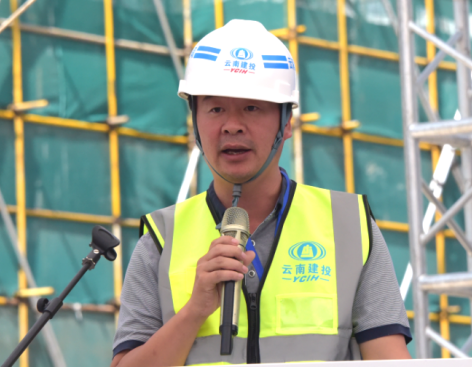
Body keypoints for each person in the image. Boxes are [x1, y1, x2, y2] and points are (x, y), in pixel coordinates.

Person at [110, 19, 412, 367]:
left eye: (252, 107)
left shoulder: (349, 227)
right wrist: (195, 311)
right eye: (215, 108)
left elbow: (389, 360)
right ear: (195, 121)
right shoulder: (162, 238)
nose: (232, 125)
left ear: (287, 122)